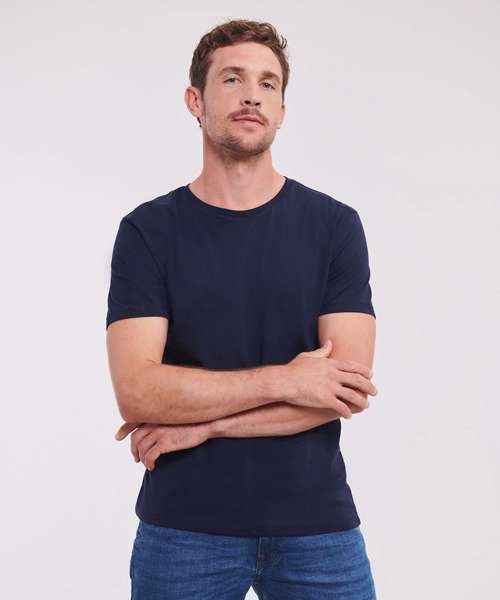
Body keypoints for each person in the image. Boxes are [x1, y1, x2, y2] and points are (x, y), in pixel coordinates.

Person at [106, 18, 379, 600]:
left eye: (268, 83)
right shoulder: (148, 231)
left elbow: (344, 388)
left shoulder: (334, 226)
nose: (252, 94)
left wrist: (204, 425)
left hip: (317, 525)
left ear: (281, 110)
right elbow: (138, 392)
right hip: (184, 529)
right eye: (232, 79)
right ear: (195, 100)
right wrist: (287, 380)